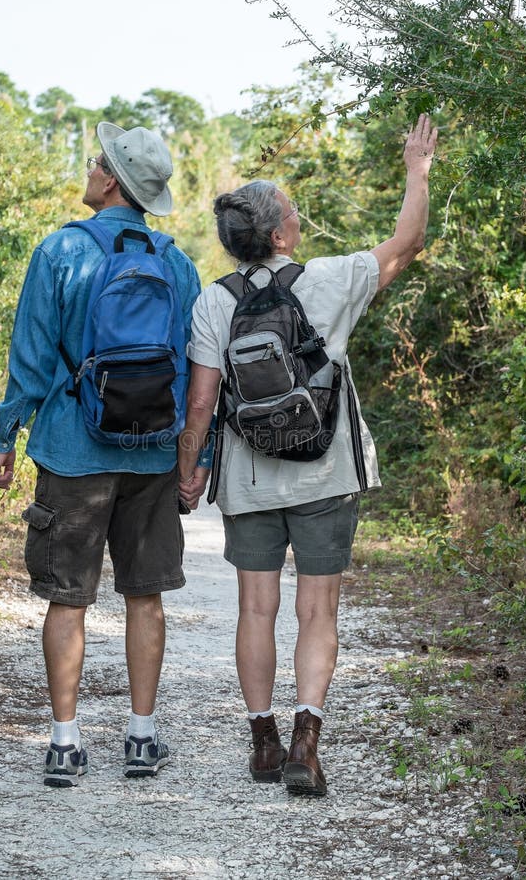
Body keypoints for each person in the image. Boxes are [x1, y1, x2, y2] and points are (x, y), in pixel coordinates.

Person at [178, 114, 438, 796]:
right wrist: (417, 169)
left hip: (250, 478)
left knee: (255, 609)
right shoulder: (329, 280)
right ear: (279, 234)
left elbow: (201, 404)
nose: (299, 219)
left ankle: (262, 742)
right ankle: (306, 741)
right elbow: (406, 242)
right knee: (317, 610)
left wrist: (189, 471)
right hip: (325, 473)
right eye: (294, 213)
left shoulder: (214, 303)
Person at [0, 123, 202, 787]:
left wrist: (6, 436)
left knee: (68, 600)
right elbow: (197, 372)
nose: (88, 168)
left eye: (94, 162)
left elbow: (30, 356)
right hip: (152, 456)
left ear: (109, 179)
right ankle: (140, 738)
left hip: (72, 451)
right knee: (146, 599)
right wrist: (195, 456)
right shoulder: (177, 263)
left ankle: (63, 743)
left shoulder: (58, 253)